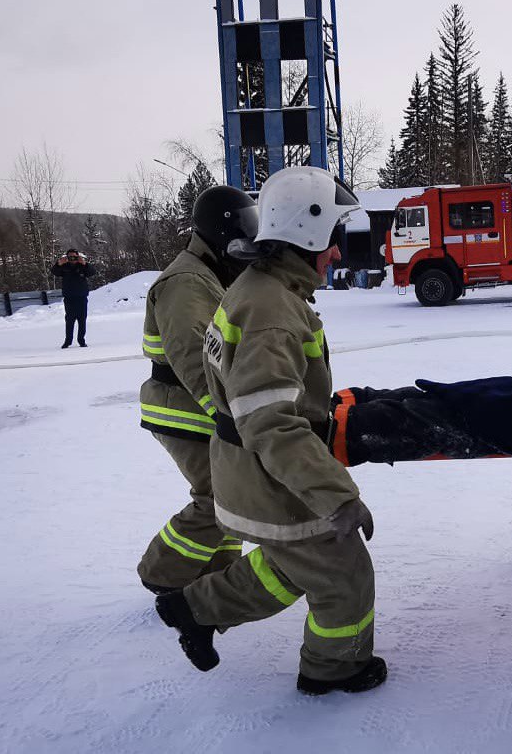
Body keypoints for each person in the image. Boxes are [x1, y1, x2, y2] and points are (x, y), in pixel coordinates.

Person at [155, 166, 386, 697]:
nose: (336, 254)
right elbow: (270, 420)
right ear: (307, 234)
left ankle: (195, 608)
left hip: (248, 473)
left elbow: (260, 397)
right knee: (343, 576)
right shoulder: (272, 308)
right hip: (271, 481)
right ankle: (336, 668)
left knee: (291, 567)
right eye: (332, 239)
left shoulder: (260, 289)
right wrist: (336, 495)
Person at [137, 186, 259, 595]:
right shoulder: (186, 281)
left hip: (199, 405)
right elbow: (192, 356)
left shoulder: (211, 271)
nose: (250, 234)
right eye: (245, 225)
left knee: (230, 495)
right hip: (182, 407)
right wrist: (224, 414)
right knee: (216, 498)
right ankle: (161, 574)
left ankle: (218, 575)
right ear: (222, 230)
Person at [51, 248, 94, 348]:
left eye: (74, 257)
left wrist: (84, 264)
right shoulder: (64, 267)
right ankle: (68, 341)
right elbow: (55, 272)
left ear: (77, 256)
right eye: (70, 257)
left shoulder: (82, 266)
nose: (72, 259)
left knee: (82, 320)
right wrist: (58, 264)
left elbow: (92, 272)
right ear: (67, 257)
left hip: (81, 297)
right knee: (70, 320)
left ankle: (81, 340)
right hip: (69, 298)